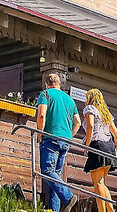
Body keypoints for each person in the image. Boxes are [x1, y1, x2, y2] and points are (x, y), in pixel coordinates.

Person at [36, 71, 82, 212]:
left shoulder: (45, 94)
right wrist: (69, 136)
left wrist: (39, 133)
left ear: (47, 84)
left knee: (48, 171)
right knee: (55, 176)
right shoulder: (69, 99)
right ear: (59, 84)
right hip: (65, 141)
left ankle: (68, 197)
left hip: (51, 139)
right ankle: (54, 210)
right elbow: (78, 122)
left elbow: (42, 114)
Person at [82, 88, 117, 212]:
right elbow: (116, 133)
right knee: (101, 183)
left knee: (97, 183)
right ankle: (108, 210)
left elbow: (91, 127)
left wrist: (86, 145)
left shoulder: (90, 109)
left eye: (86, 97)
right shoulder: (106, 113)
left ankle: (104, 210)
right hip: (109, 146)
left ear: (90, 98)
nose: (85, 100)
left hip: (97, 145)